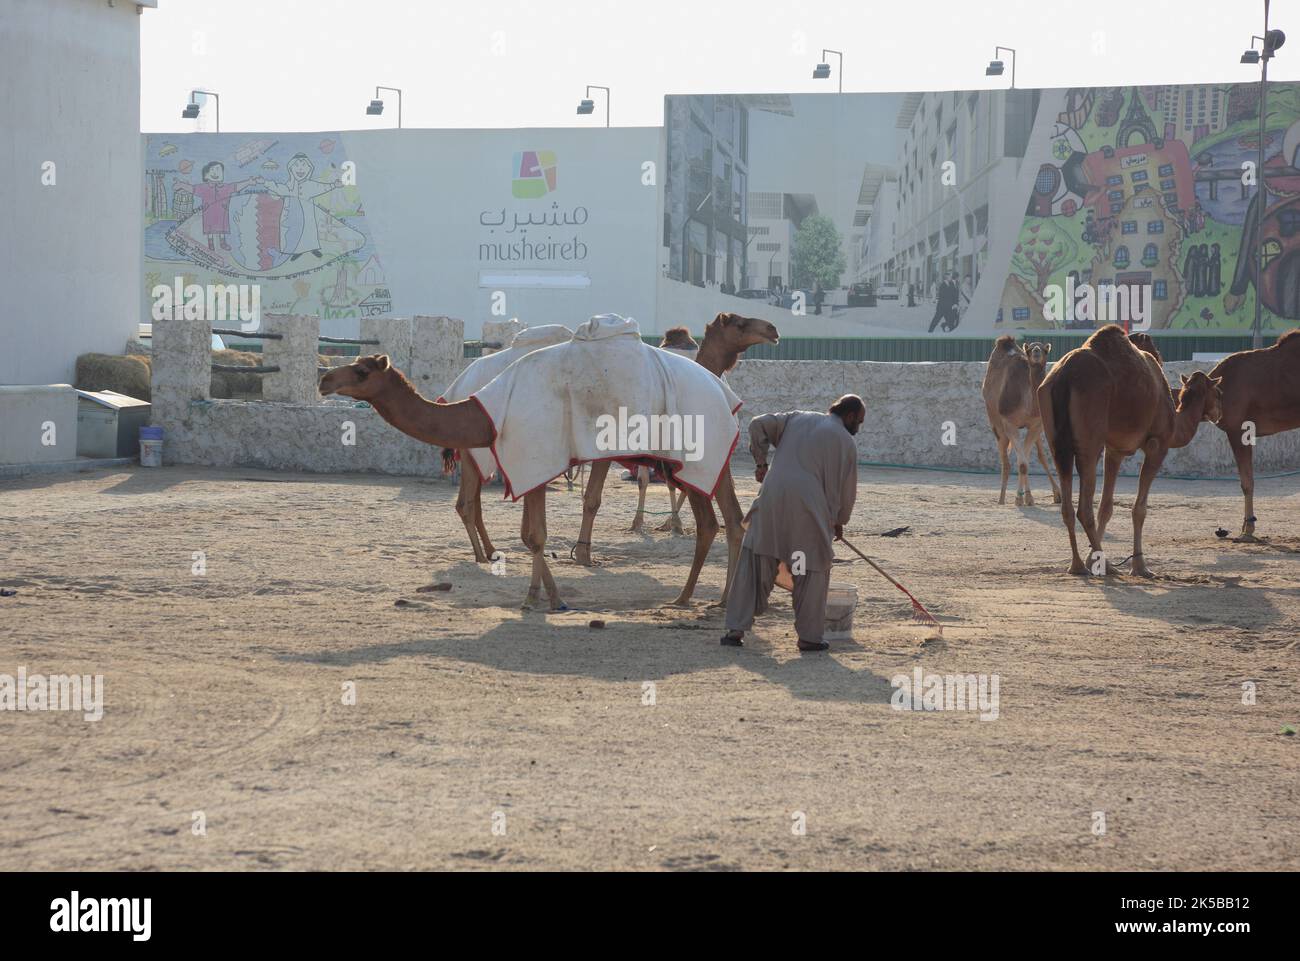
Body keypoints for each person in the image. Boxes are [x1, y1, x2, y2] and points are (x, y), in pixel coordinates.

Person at [720, 395, 864, 652]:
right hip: (810, 511)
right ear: (850, 415)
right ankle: (809, 637)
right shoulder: (846, 443)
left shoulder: (798, 418)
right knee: (811, 572)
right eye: (859, 422)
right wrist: (839, 521)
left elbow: (756, 424)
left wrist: (761, 463)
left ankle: (735, 630)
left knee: (754, 563)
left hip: (771, 501)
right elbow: (847, 492)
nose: (858, 428)